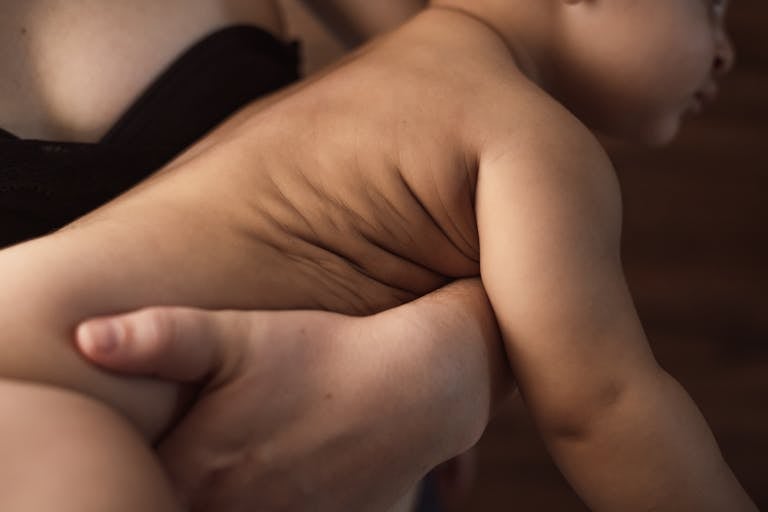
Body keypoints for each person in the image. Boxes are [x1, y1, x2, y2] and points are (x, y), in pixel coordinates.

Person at [0, 1, 757, 511]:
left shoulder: (382, 72)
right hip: (73, 387)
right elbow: (606, 407)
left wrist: (438, 383)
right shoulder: (530, 135)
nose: (726, 50)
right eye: (709, 7)